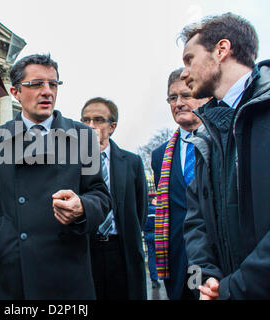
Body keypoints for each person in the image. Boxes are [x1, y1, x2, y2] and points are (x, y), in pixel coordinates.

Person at [0, 54, 111, 299]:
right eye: (36, 84)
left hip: (68, 274)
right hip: (14, 276)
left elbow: (101, 196)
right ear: (15, 91)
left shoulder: (83, 136)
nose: (47, 91)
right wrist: (2, 239)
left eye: (53, 84)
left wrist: (83, 207)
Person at [179, 12, 270, 299]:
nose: (183, 73)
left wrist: (234, 289)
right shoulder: (206, 136)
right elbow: (195, 224)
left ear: (221, 50)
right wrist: (205, 284)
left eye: (189, 59)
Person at [81, 97, 148, 300]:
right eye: (85, 120)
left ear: (112, 127)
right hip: (87, 251)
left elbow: (140, 210)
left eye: (98, 119)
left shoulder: (132, 162)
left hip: (121, 250)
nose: (91, 126)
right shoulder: (73, 162)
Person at [151, 68, 208, 300]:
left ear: (205, 97)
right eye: (172, 98)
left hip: (213, 257)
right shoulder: (159, 155)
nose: (178, 103)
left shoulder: (223, 142)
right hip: (175, 259)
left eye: (186, 95)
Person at [143, 194, 160, 289]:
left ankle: (154, 279)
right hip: (157, 234)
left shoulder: (145, 211)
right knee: (162, 255)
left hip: (148, 235)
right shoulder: (156, 210)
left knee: (151, 256)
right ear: (153, 200)